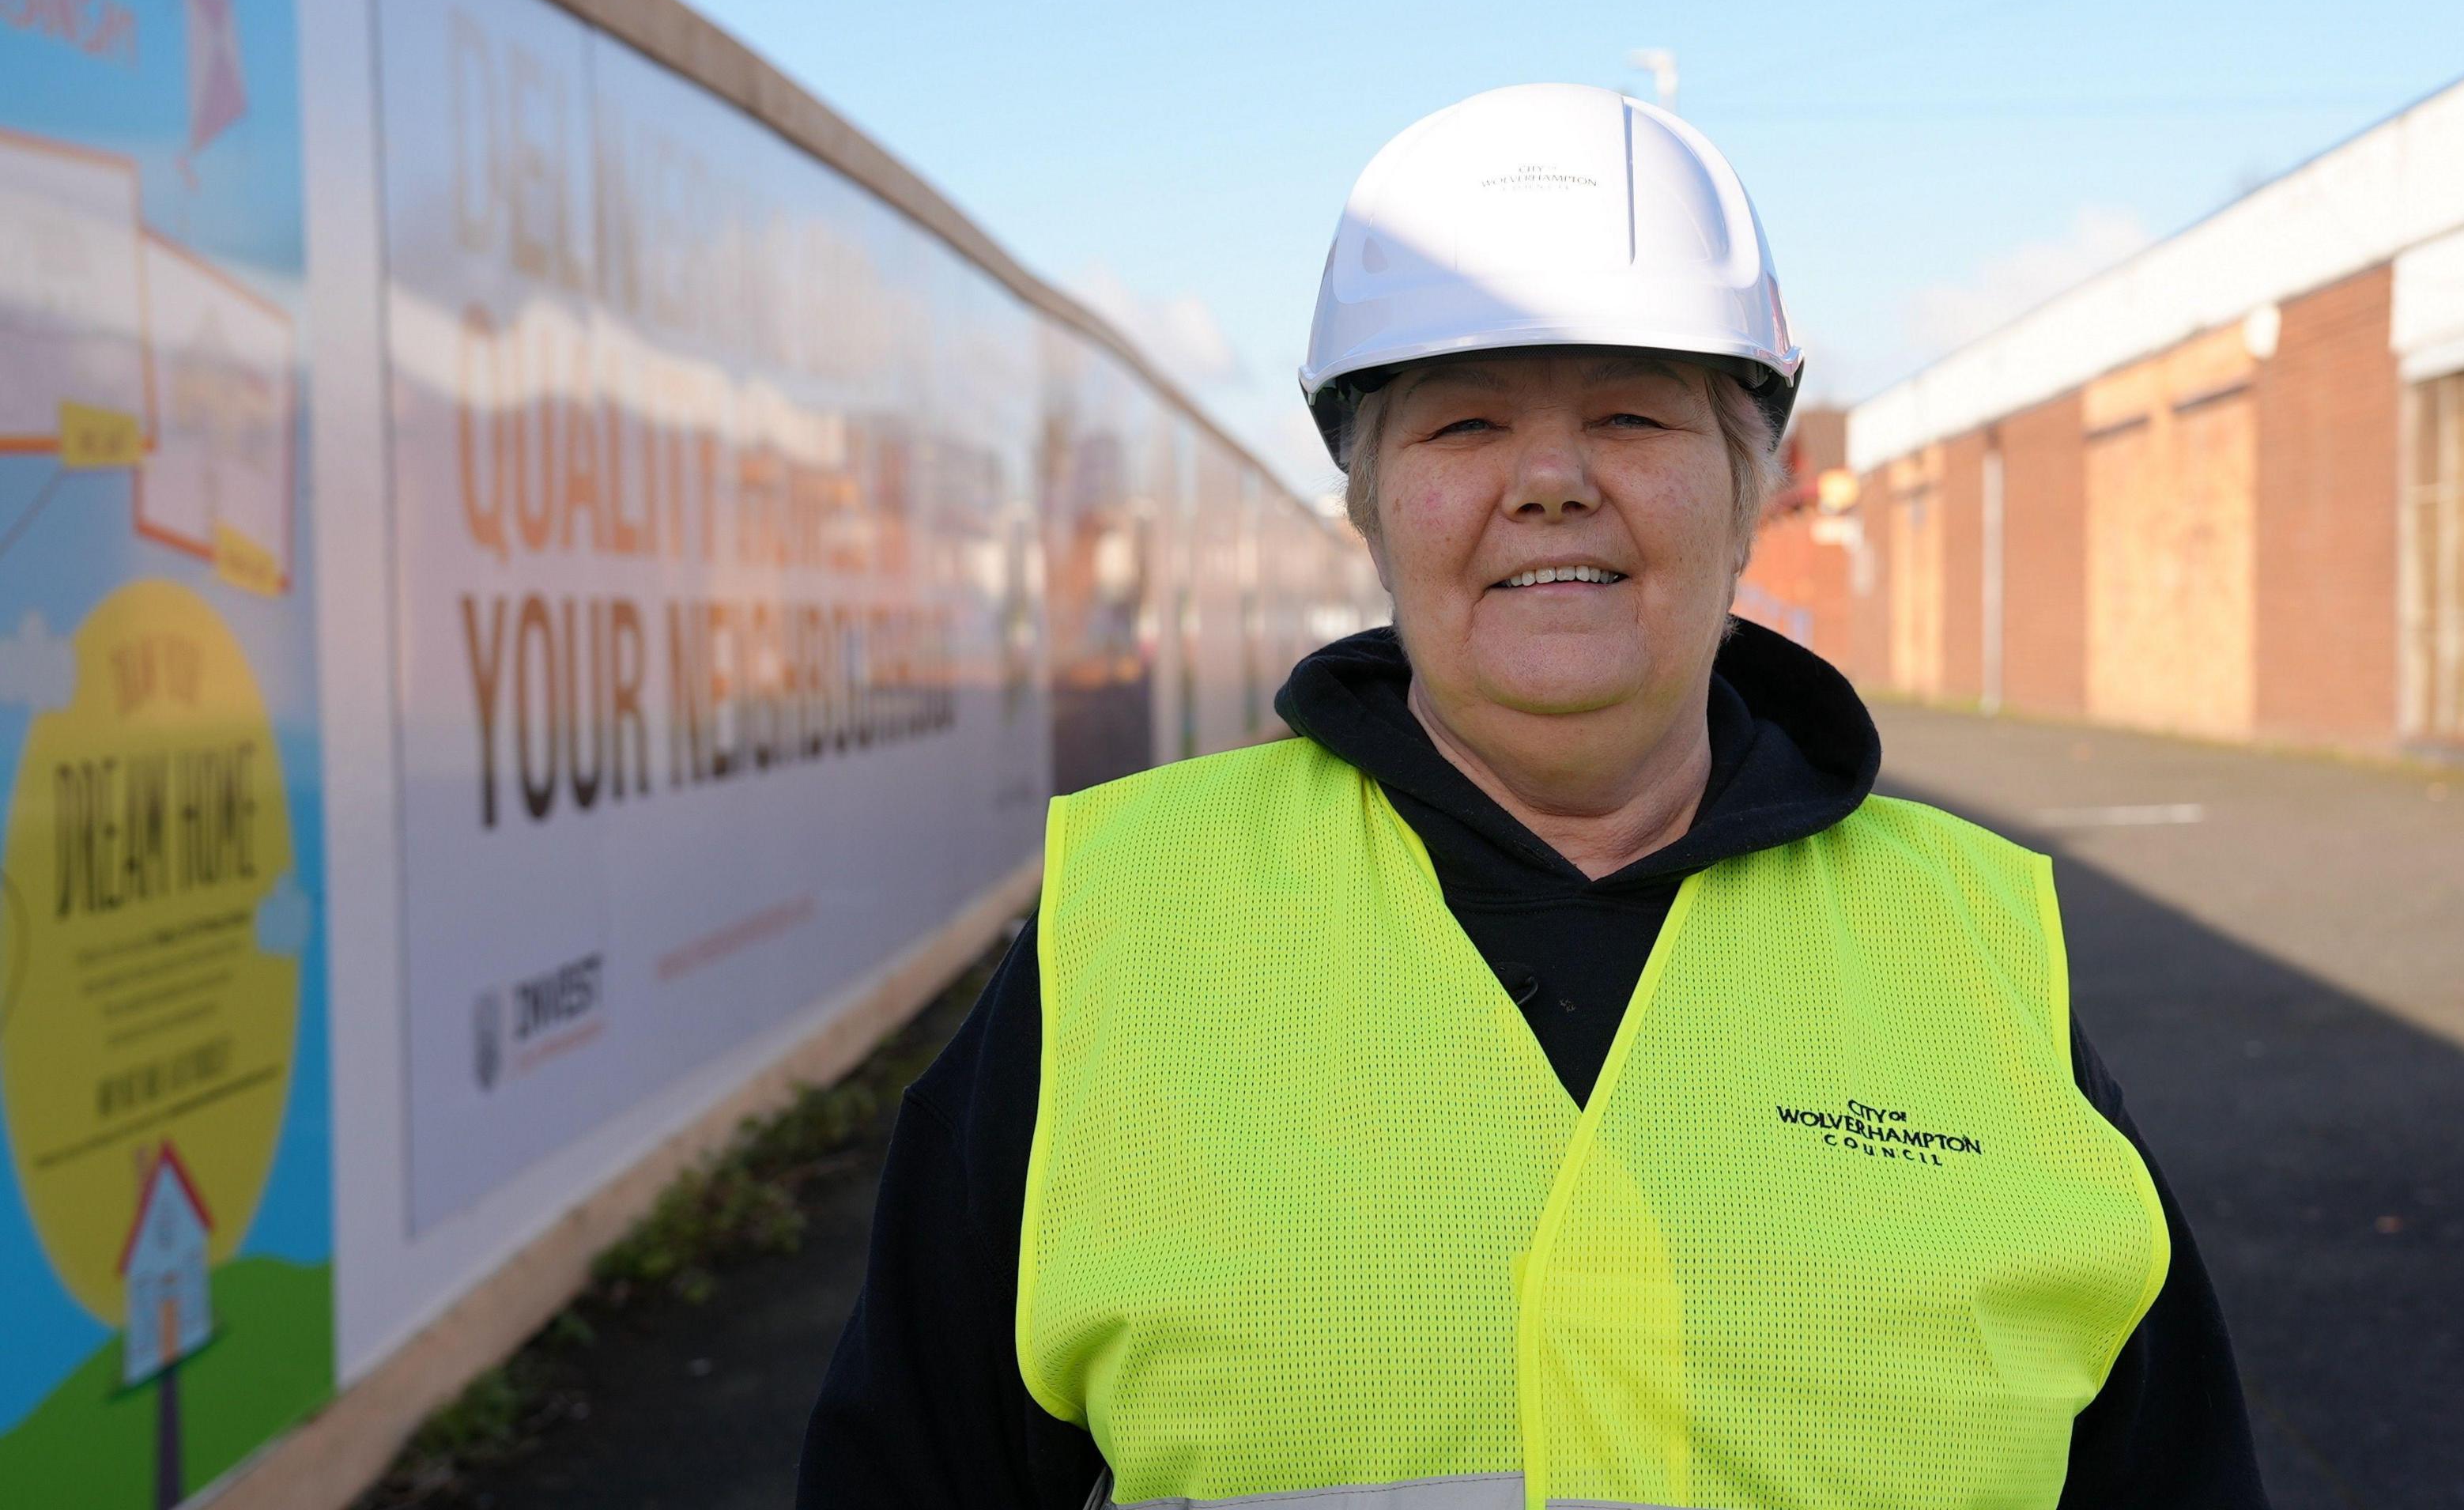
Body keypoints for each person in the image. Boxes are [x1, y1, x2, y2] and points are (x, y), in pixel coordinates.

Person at [800, 85, 2266, 1508]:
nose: (1554, 480)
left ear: (1756, 487)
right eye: (1464, 426)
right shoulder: (1130, 928)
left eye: (1634, 417)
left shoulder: (1974, 940)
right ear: (1368, 503)